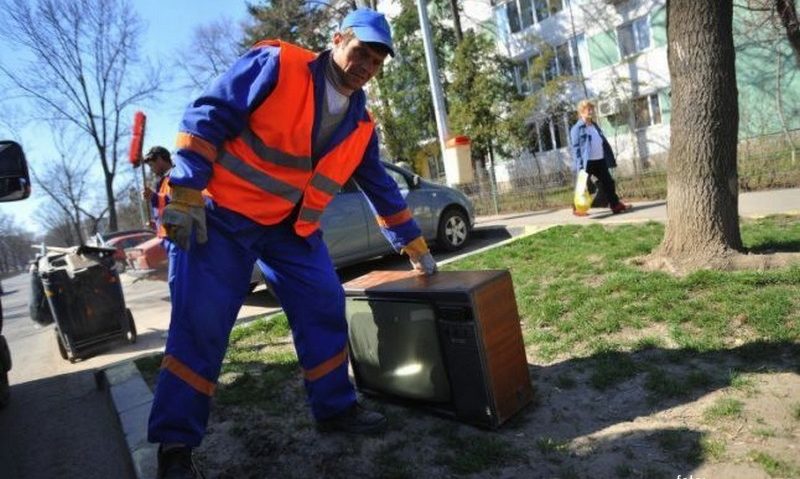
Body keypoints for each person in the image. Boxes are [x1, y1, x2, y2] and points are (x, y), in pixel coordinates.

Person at [148, 8, 438, 479]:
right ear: (337, 39)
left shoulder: (362, 124)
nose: (366, 64)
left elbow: (380, 187)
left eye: (377, 60)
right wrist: (184, 189)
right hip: (222, 216)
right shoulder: (277, 65)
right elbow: (208, 115)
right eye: (361, 51)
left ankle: (335, 409)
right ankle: (176, 445)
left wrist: (415, 245)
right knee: (200, 325)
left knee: (324, 303)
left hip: (289, 229)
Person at [569, 99, 631, 216]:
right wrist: (580, 166)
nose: (591, 111)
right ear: (581, 112)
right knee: (583, 185)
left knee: (608, 182)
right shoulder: (577, 129)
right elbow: (576, 149)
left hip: (600, 159)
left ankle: (615, 205)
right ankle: (577, 208)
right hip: (587, 162)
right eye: (588, 109)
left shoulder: (594, 125)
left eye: (592, 109)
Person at [142, 146, 174, 236]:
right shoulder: (161, 183)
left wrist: (154, 197)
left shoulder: (177, 176)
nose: (151, 169)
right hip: (168, 237)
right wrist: (157, 222)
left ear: (160, 159)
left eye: (151, 165)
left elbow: (180, 203)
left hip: (181, 237)